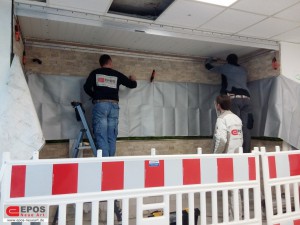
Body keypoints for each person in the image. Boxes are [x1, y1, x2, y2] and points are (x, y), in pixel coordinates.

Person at [84, 54, 137, 157]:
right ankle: (110, 163)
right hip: (113, 106)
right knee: (111, 136)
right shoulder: (116, 74)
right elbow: (132, 85)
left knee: (101, 135)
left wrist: (95, 96)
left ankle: (105, 164)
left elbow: (86, 87)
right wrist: (133, 79)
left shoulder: (95, 73)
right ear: (110, 62)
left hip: (100, 105)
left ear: (101, 63)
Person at [205, 53, 253, 153]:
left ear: (227, 61)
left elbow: (208, 67)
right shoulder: (243, 70)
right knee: (245, 128)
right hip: (247, 100)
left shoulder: (226, 67)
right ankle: (246, 153)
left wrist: (211, 59)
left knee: (234, 126)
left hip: (234, 99)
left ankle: (233, 154)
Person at [213, 95, 243, 220]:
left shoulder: (222, 119)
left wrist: (215, 155)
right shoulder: (237, 118)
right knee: (236, 190)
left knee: (227, 189)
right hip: (238, 157)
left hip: (226, 159)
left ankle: (231, 219)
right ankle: (237, 217)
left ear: (218, 105)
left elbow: (221, 139)